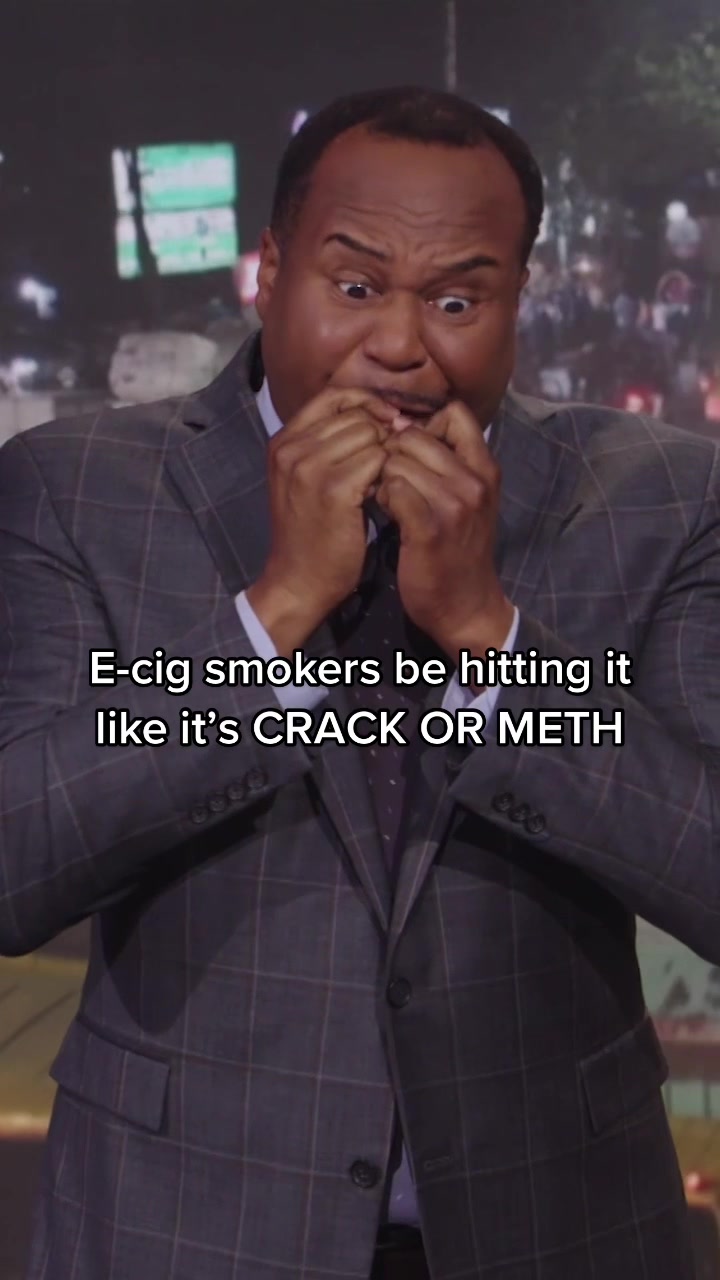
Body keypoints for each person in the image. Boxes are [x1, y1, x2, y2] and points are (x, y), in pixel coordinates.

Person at [0, 86, 716, 1280]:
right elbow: (15, 857)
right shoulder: (82, 489)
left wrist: (492, 635)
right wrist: (272, 614)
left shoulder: (658, 499)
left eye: (457, 299)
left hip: (559, 1226)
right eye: (354, 284)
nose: (400, 343)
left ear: (519, 298)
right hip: (184, 1231)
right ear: (271, 272)